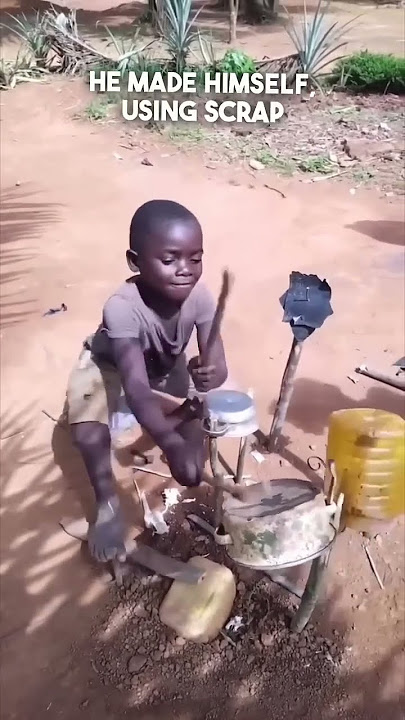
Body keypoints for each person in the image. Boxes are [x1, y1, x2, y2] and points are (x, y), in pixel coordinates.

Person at [65, 199, 228, 564]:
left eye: (195, 258)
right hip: (110, 365)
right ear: (135, 262)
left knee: (193, 449)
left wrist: (211, 371)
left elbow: (219, 367)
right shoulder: (122, 306)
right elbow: (137, 389)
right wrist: (169, 443)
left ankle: (175, 420)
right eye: (169, 260)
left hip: (164, 368)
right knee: (89, 434)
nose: (185, 270)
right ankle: (107, 505)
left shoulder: (201, 298)